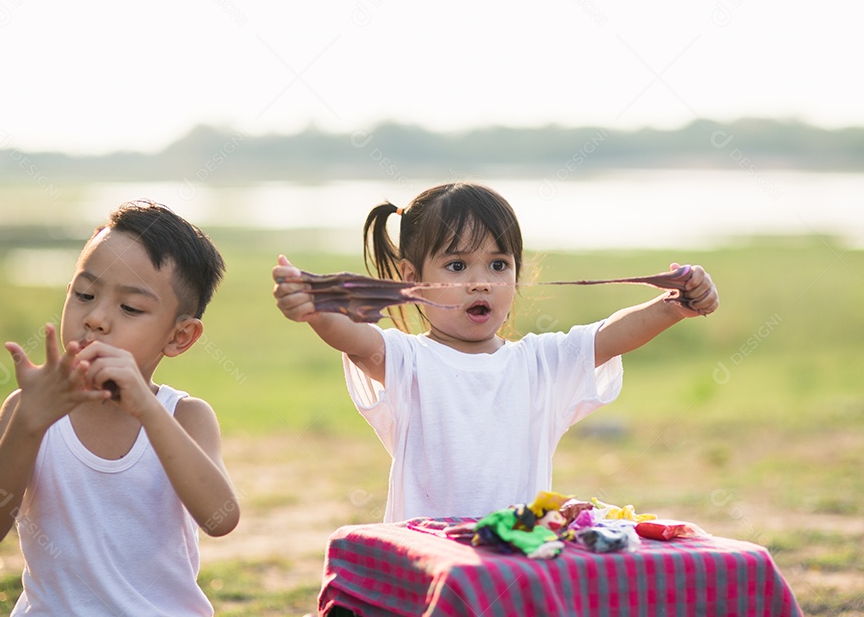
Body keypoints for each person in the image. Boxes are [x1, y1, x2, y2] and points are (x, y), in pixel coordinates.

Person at [272, 182, 718, 523]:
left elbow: (610, 336)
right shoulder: (408, 360)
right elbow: (355, 338)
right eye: (457, 265)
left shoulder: (539, 363)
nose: (480, 281)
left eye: (498, 265)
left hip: (515, 562)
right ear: (412, 277)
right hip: (430, 562)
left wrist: (675, 305)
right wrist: (313, 309)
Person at [0, 200, 239, 616]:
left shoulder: (185, 416)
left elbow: (220, 519)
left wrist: (148, 410)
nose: (95, 318)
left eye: (130, 308)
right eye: (85, 293)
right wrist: (29, 422)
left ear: (180, 337)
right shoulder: (28, 408)